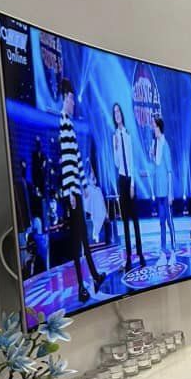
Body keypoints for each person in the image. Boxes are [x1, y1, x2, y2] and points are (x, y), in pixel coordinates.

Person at [59, 79, 104, 304]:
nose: (73, 103)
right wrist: (71, 192)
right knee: (77, 241)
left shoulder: (69, 123)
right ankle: (80, 287)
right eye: (70, 99)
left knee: (84, 238)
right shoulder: (63, 124)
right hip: (72, 193)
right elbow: (66, 161)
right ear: (63, 99)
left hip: (76, 189)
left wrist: (84, 185)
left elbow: (76, 159)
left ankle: (94, 276)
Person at [112, 103, 144, 271]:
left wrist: (132, 184)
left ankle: (141, 253)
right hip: (121, 180)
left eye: (118, 111)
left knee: (135, 220)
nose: (117, 114)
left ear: (122, 114)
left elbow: (131, 161)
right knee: (125, 222)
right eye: (114, 112)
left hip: (130, 180)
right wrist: (116, 147)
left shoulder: (128, 134)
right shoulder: (115, 136)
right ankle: (129, 257)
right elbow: (118, 163)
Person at [151, 115, 177, 268]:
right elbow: (156, 166)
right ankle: (163, 253)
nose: (153, 129)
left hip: (166, 193)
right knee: (161, 222)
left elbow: (169, 172)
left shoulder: (165, 145)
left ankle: (173, 252)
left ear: (159, 127)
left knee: (169, 222)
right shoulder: (155, 145)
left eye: (154, 126)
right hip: (159, 192)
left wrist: (171, 193)